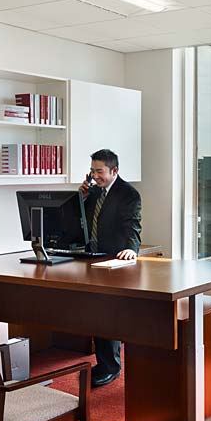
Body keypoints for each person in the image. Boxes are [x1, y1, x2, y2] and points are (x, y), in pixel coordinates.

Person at [77, 148, 141, 387]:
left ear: (114, 170)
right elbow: (79, 221)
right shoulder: (93, 192)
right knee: (96, 312)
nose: (95, 175)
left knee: (106, 313)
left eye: (99, 171)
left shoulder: (128, 194)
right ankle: (105, 363)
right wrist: (80, 199)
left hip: (114, 259)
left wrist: (132, 248)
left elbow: (132, 224)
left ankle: (110, 366)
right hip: (93, 258)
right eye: (92, 170)